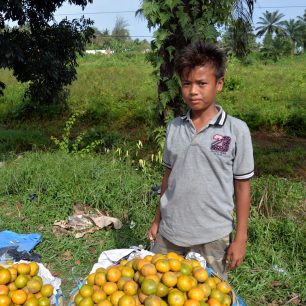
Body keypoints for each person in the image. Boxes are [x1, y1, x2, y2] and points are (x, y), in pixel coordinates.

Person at [148, 41, 254, 278]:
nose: (193, 91)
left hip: (212, 237)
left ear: (219, 83)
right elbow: (168, 178)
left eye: (201, 83)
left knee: (208, 296)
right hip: (170, 232)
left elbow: (242, 187)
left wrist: (240, 238)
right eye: (187, 83)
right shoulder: (175, 127)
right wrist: (158, 221)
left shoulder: (236, 131)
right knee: (157, 291)